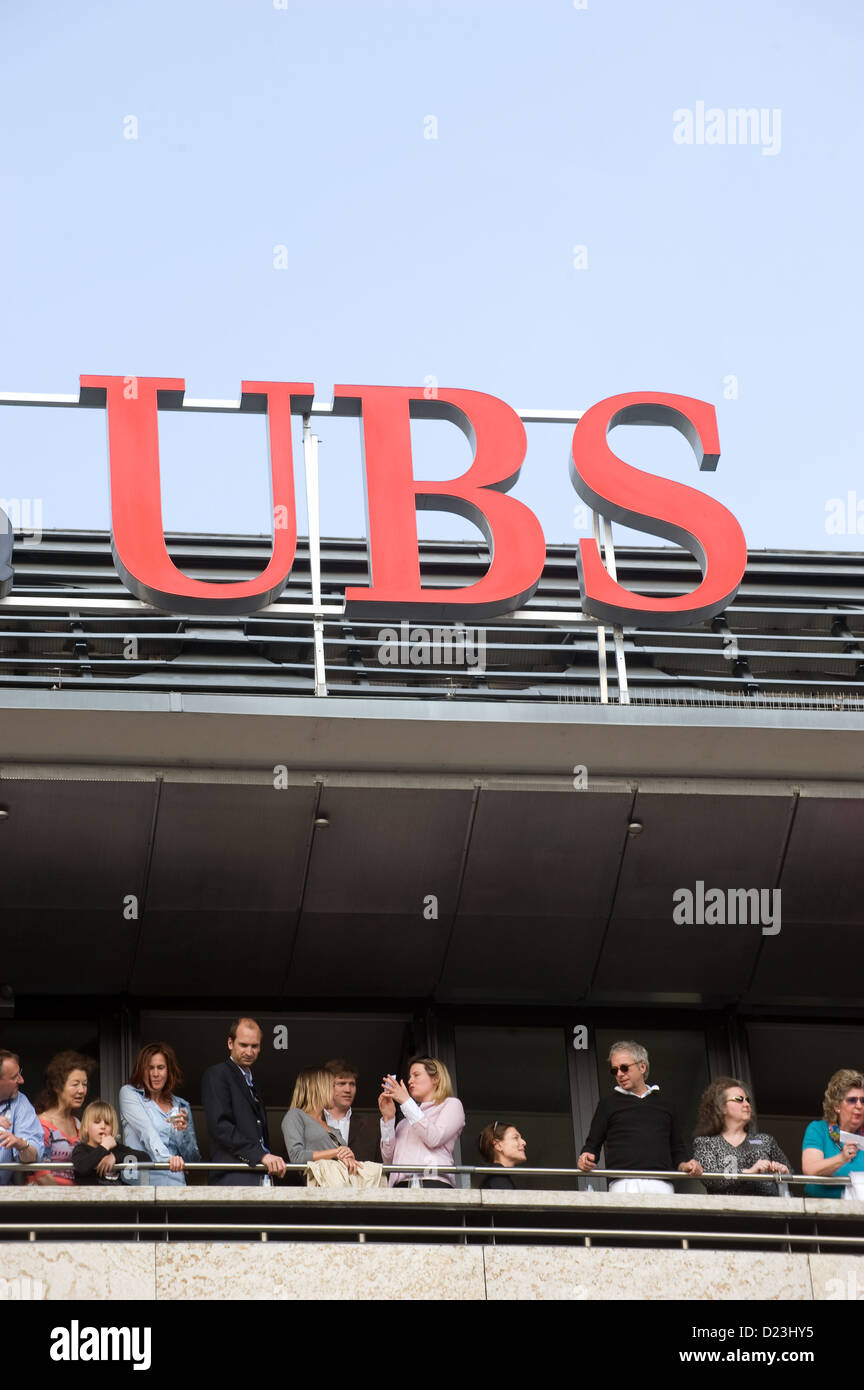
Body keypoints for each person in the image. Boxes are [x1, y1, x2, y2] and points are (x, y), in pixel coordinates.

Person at [577, 1041, 702, 1194]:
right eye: (614, 1070)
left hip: (661, 1184)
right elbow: (592, 1146)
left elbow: (677, 1150)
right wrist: (585, 1158)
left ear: (642, 1067)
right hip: (622, 1184)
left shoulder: (666, 1105)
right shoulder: (607, 1105)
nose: (619, 1074)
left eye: (624, 1068)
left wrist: (686, 1165)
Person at [201, 1017, 286, 1187]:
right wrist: (260, 1155)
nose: (249, 1051)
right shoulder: (217, 1074)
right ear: (230, 1043)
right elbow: (221, 1127)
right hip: (232, 1176)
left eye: (254, 1046)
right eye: (243, 1045)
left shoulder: (254, 1082)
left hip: (260, 1176)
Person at [119, 1043, 201, 1187]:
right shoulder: (129, 1094)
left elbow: (192, 1161)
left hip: (175, 1182)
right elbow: (147, 1131)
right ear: (141, 1070)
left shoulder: (181, 1105)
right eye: (150, 1068)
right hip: (140, 1180)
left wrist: (184, 1134)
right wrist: (169, 1159)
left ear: (169, 1071)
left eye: (160, 1068)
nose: (155, 1074)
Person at [692, 1079, 790, 1196]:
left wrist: (783, 1170)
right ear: (721, 1107)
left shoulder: (765, 1140)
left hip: (768, 1210)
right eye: (739, 1100)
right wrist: (749, 1172)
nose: (747, 1104)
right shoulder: (706, 1143)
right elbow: (711, 1179)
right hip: (728, 1210)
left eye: (747, 1100)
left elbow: (792, 1176)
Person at [378, 1056, 465, 1188]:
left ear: (435, 1078)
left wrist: (406, 1102)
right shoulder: (405, 1122)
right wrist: (388, 1119)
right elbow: (388, 1160)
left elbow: (434, 1138)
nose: (410, 1081)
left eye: (416, 1075)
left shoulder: (451, 1105)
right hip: (400, 1187)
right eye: (410, 1076)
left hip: (433, 1183)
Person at [29, 1051, 95, 1187]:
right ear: (57, 1087)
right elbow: (42, 1176)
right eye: (75, 1084)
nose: (82, 1090)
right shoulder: (42, 1124)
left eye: (85, 1084)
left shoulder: (78, 1124)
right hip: (46, 1200)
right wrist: (69, 1200)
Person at [802, 1068, 864, 1199]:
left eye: (863, 1100)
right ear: (836, 1106)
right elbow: (810, 1169)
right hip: (821, 1211)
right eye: (852, 1100)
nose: (859, 1105)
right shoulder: (819, 1129)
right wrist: (842, 1159)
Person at [282, 1068, 358, 1171]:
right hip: (316, 1185)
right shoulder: (295, 1115)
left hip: (340, 1184)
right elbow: (297, 1157)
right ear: (319, 1089)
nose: (335, 1091)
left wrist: (350, 1157)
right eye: (332, 1086)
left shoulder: (332, 1128)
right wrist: (336, 1152)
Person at [72, 1102, 150, 1185]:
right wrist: (104, 1147)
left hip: (117, 1195)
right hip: (92, 1196)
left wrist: (115, 1157)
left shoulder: (116, 1149)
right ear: (85, 1127)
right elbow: (82, 1167)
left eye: (107, 1123)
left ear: (112, 1128)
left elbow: (146, 1158)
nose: (103, 1126)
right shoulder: (81, 1149)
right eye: (97, 1122)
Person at [323, 1058, 381, 1163]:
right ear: (326, 1086)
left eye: (352, 1084)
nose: (348, 1090)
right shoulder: (311, 1121)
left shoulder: (371, 1127)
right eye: (342, 1083)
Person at [0, 1049, 44, 1184]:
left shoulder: (20, 1102)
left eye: (20, 1074)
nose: (22, 1080)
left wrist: (21, 1144)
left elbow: (33, 1156)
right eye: (14, 1077)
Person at [477, 1122, 527, 1189]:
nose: (524, 1142)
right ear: (498, 1145)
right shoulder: (498, 1178)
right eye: (515, 1138)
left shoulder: (497, 1176)